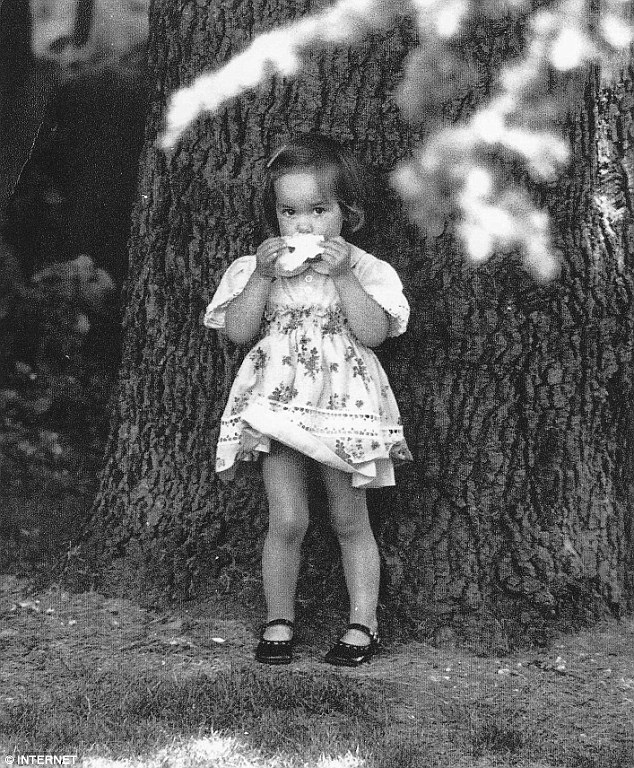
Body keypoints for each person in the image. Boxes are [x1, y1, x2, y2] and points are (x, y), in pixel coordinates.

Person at [204, 134, 412, 666]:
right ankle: (278, 619)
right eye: (289, 211)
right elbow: (239, 331)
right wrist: (260, 276)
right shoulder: (258, 269)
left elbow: (373, 334)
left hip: (343, 407)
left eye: (319, 210)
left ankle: (363, 621)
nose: (304, 225)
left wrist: (342, 275)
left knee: (350, 518)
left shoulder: (366, 270)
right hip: (277, 406)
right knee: (288, 519)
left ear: (350, 215)